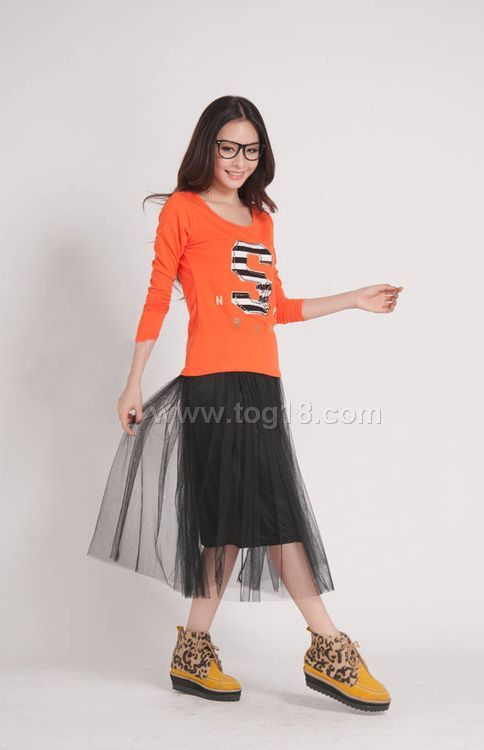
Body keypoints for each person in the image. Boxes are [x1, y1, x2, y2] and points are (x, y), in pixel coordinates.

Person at [87, 95, 403, 711]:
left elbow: (274, 307)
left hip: (262, 386)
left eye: (250, 150)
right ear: (208, 146)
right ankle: (328, 645)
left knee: (230, 525)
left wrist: (352, 299)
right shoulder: (183, 210)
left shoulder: (260, 219)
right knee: (276, 514)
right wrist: (132, 382)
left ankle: (192, 652)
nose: (238, 160)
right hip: (213, 386)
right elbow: (158, 296)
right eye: (228, 147)